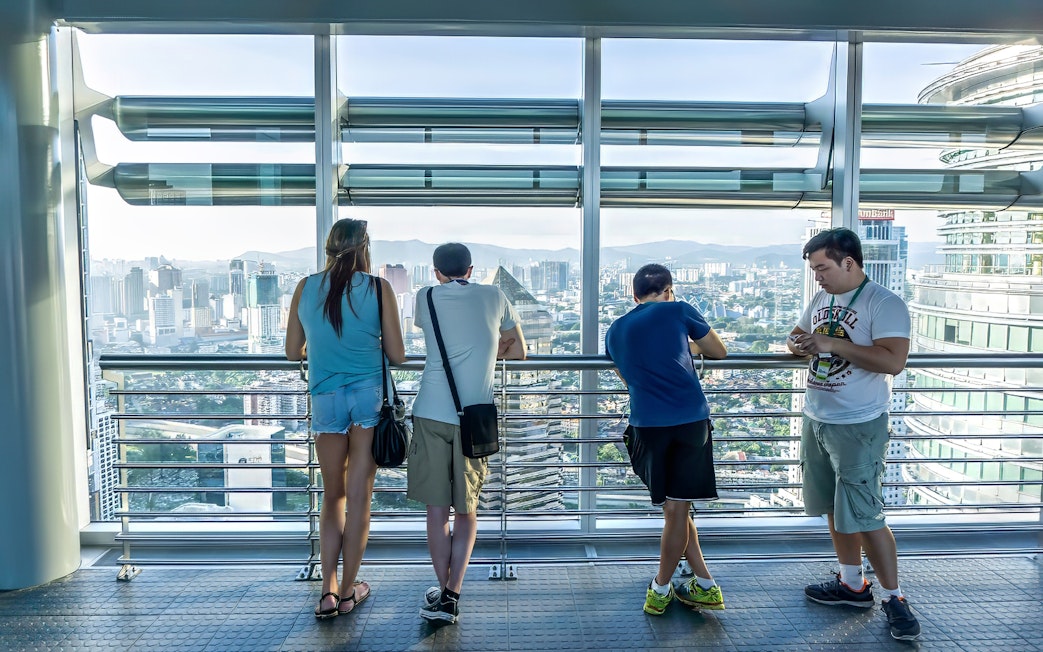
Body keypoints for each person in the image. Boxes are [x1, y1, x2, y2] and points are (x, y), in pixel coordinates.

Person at [787, 227, 920, 641]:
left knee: (866, 514)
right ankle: (852, 584)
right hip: (819, 416)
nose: (818, 277)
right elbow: (796, 335)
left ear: (849, 262)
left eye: (823, 267)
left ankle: (895, 598)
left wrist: (832, 344)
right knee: (832, 506)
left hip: (859, 423)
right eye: (813, 269)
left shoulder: (885, 303)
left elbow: (893, 361)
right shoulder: (823, 298)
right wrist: (803, 344)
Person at [285, 218, 406, 619]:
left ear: (328, 247)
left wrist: (324, 350)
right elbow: (397, 354)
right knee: (359, 498)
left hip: (325, 397)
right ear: (364, 247)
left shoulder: (305, 287)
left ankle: (328, 591)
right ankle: (351, 589)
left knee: (332, 495)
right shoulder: (377, 288)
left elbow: (291, 350)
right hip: (368, 399)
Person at [409, 243, 526, 625]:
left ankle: (441, 592)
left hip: (429, 411)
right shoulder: (496, 295)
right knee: (467, 509)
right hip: (473, 416)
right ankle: (453, 594)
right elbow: (519, 350)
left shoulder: (424, 297)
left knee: (436, 510)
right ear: (471, 269)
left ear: (436, 271)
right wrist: (490, 351)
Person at [604, 263, 728, 616]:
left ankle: (705, 584)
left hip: (645, 425)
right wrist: (689, 348)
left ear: (635, 296)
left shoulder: (615, 330)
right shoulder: (679, 310)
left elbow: (628, 379)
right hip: (689, 421)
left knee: (676, 509)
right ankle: (660, 589)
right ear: (669, 290)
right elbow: (718, 351)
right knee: (678, 511)